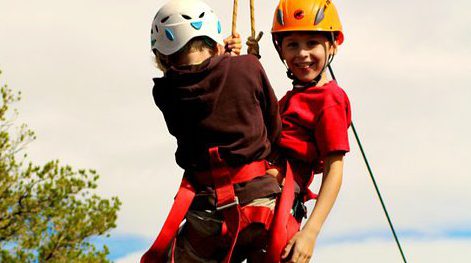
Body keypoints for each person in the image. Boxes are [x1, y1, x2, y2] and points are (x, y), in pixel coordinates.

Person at [141, 0, 283, 262]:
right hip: (261, 203)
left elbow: (205, 84)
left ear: (162, 56)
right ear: (215, 43)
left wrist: (224, 58)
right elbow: (274, 129)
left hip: (209, 216)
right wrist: (238, 59)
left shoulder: (164, 93)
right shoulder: (248, 67)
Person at [249, 0, 352, 262]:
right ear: (281, 49)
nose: (302, 53)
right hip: (259, 193)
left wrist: (310, 233)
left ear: (332, 46)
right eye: (292, 44)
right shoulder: (290, 99)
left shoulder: (329, 99)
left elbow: (334, 169)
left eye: (312, 43)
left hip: (276, 204)